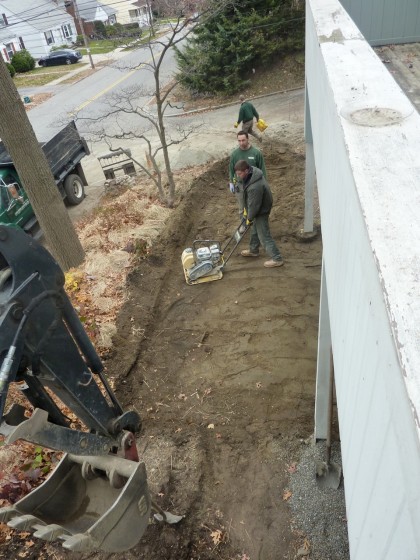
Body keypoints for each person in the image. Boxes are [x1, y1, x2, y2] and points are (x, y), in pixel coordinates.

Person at [234, 159, 283, 268]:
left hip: (261, 211)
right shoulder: (252, 174)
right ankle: (254, 250)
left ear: (246, 171)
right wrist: (247, 212)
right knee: (254, 230)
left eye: (239, 173)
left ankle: (277, 258)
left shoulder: (254, 186)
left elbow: (254, 205)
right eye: (237, 173)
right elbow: (251, 202)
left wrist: (249, 218)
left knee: (264, 235)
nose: (238, 176)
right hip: (258, 207)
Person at [229, 131, 266, 215]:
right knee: (242, 208)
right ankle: (243, 224)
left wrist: (264, 185)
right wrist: (231, 182)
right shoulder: (235, 154)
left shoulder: (256, 153)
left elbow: (262, 169)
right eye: (239, 141)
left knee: (254, 205)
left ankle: (254, 222)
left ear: (248, 139)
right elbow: (231, 169)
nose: (241, 143)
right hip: (240, 185)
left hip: (254, 184)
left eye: (243, 140)